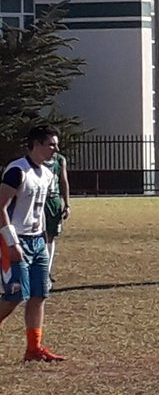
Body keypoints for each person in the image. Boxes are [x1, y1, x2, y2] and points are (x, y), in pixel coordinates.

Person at [0, 124, 66, 362]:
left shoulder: (48, 174)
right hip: (14, 241)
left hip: (37, 241)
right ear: (36, 144)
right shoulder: (17, 171)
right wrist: (10, 243)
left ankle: (33, 348)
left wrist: (44, 238)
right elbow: (1, 208)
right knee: (14, 296)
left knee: (39, 294)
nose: (55, 149)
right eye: (51, 144)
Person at [43, 146, 71, 282]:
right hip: (40, 201)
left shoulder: (59, 160)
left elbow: (63, 181)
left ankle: (46, 271)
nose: (55, 148)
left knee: (51, 236)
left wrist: (67, 204)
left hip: (54, 201)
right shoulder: (37, 160)